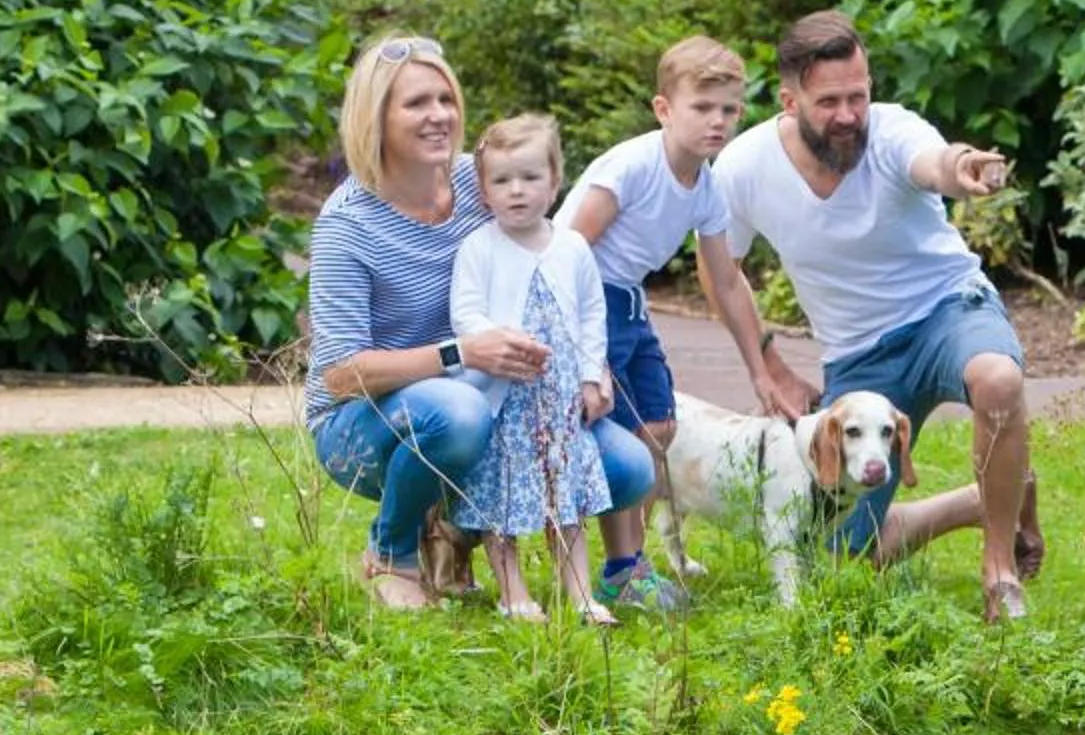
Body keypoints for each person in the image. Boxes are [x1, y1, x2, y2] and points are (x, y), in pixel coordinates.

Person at [706, 11, 1043, 621]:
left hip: (947, 308)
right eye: (828, 101)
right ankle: (990, 494)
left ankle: (999, 574)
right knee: (844, 547)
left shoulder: (890, 132)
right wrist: (769, 366)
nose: (847, 115)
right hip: (859, 356)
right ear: (789, 100)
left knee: (998, 380)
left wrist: (961, 167)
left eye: (857, 97)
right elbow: (719, 270)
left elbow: (935, 161)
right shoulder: (744, 167)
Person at [304, 35, 654, 610]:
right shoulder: (347, 225)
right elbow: (342, 376)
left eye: (446, 98)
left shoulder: (480, 181)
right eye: (416, 103)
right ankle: (393, 553)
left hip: (493, 394)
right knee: (458, 416)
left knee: (627, 468)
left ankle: (454, 527)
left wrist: (592, 369)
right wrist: (460, 352)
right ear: (375, 116)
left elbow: (556, 260)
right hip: (365, 423)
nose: (439, 114)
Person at [561, 34, 751, 613]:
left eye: (730, 109)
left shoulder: (708, 187)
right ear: (664, 109)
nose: (717, 122)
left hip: (631, 303)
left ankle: (628, 563)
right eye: (702, 107)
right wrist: (584, 348)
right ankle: (619, 565)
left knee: (659, 429)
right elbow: (568, 246)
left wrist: (763, 367)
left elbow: (724, 281)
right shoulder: (634, 165)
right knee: (621, 434)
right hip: (587, 295)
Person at [449, 114, 616, 625]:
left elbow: (591, 313)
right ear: (483, 191)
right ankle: (512, 590)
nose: (516, 191)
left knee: (565, 496)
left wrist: (591, 375)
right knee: (504, 493)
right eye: (501, 180)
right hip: (507, 397)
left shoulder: (571, 247)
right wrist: (497, 340)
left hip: (560, 400)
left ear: (555, 181)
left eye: (529, 178)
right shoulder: (480, 247)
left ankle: (582, 593)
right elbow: (466, 312)